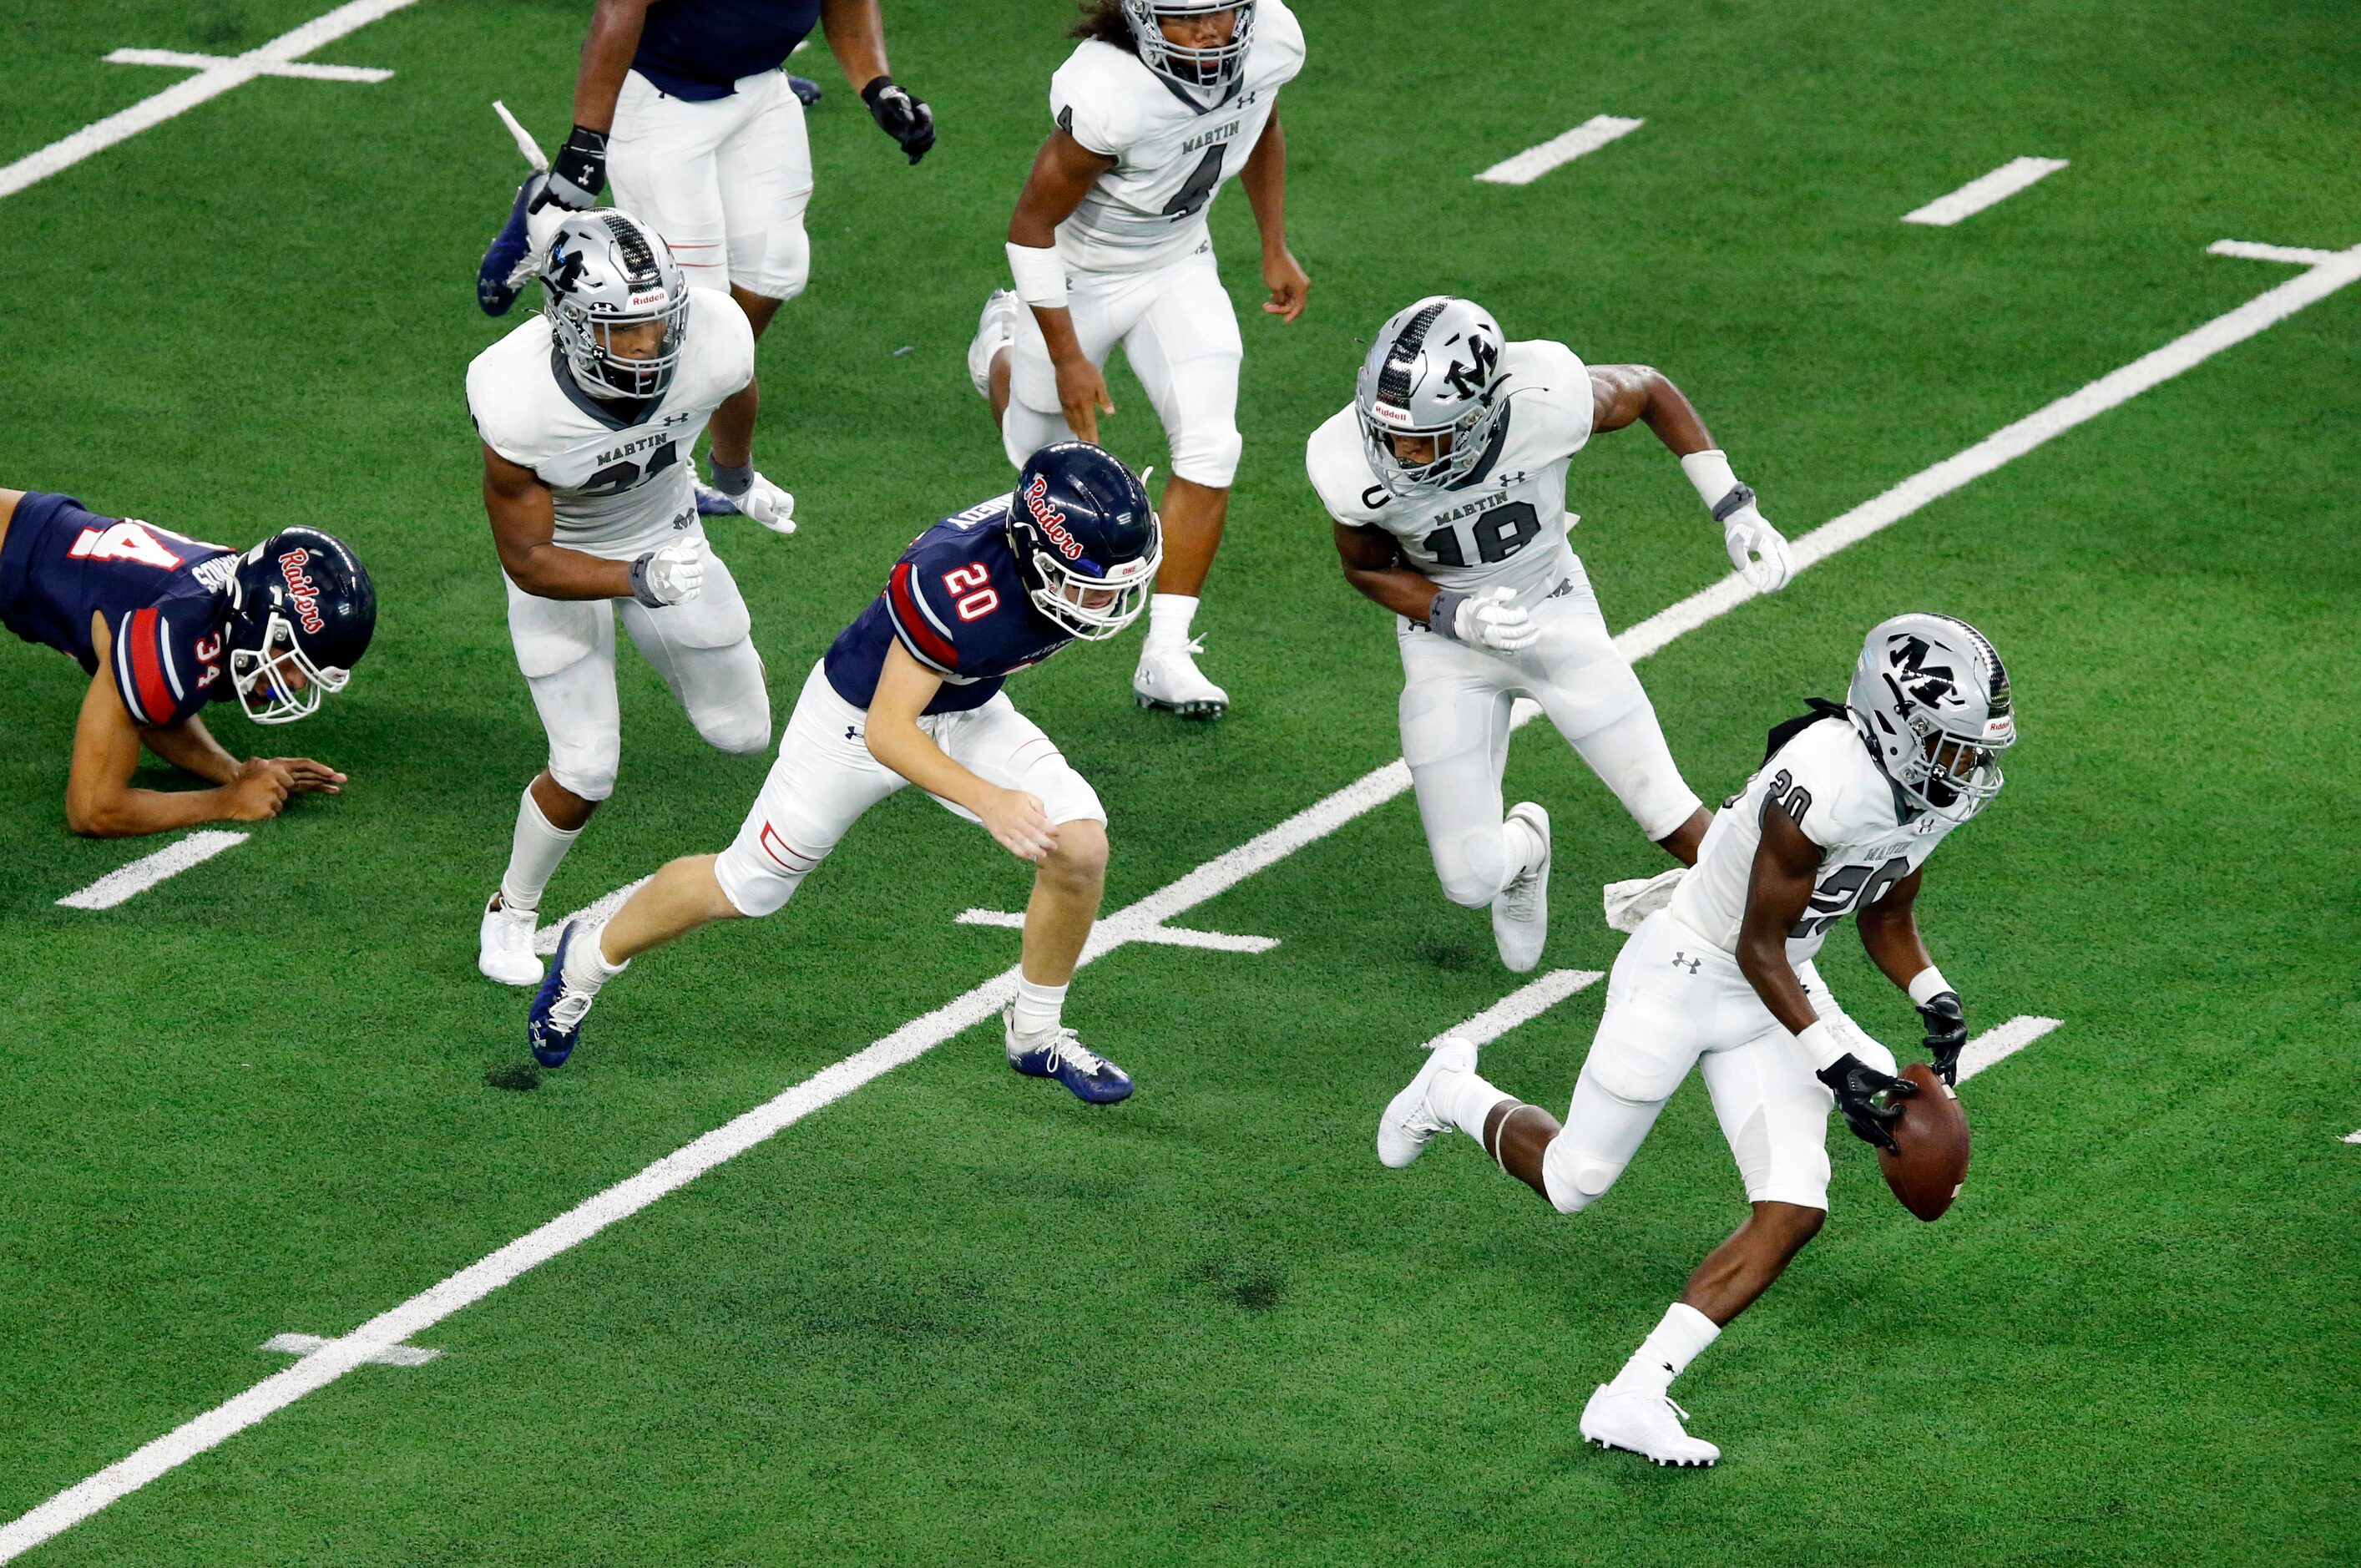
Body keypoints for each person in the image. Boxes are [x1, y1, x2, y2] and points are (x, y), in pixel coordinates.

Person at [1376, 615, 2014, 1466]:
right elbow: (1753, 945)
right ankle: (1450, 1089)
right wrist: (1834, 1065)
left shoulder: (1927, 794)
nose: (1965, 766)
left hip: (1776, 983)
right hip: (1686, 969)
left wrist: (1930, 992)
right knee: (1574, 1182)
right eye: (1949, 747)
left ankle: (1633, 1395)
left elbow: (1885, 904)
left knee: (1794, 1208)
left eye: (1971, 748)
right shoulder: (1820, 777)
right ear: (1894, 726)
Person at [526, 442, 1160, 1105]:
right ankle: (585, 959)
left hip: (965, 704)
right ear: (1031, 548)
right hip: (858, 723)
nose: (1105, 598)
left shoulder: (1048, 536)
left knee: (1079, 847)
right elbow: (891, 731)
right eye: (1090, 580)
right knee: (746, 887)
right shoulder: (950, 581)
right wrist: (991, 801)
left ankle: (1035, 1035)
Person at [1310, 295, 1797, 973]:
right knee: (1468, 879)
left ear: (1480, 417)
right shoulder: (1349, 461)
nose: (1394, 451)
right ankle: (1527, 850)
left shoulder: (1547, 398)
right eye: (1384, 430)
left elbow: (1650, 391)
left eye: (1418, 438)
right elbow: (1365, 568)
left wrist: (1733, 507)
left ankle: (1791, 964)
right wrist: (1455, 612)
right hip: (1444, 641)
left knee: (1667, 808)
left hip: (1552, 607)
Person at [468, 210, 789, 988]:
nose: (651, 346)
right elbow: (531, 559)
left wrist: (737, 477)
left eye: (658, 321)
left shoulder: (713, 334)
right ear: (570, 322)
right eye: (624, 330)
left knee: (743, 732)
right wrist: (636, 580)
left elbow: (735, 390)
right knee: (585, 768)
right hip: (567, 561)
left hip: (667, 527)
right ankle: (511, 910)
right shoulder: (516, 396)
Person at [968, 0, 1307, 721]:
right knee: (1035, 457)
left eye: (1223, 12)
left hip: (1179, 261)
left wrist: (1273, 244)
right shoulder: (1109, 94)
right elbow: (1031, 227)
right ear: (1145, 20)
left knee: (1213, 446)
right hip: (1080, 273)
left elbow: (1262, 125)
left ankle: (1167, 654)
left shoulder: (1271, 39)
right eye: (1188, 19)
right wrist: (1065, 356)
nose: (1211, 31)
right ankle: (999, 346)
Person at [480, 0, 934, 518]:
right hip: (659, 97)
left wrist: (877, 84)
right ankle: (678, 462)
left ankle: (700, 421)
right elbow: (620, 8)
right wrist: (588, 142)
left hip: (761, 91)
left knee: (773, 273)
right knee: (681, 305)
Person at [0, 488, 372, 837]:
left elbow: (155, 709)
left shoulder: (229, 602)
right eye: (293, 660)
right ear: (258, 624)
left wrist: (238, 773)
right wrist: (227, 802)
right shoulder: (176, 631)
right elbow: (94, 808)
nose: (297, 683)